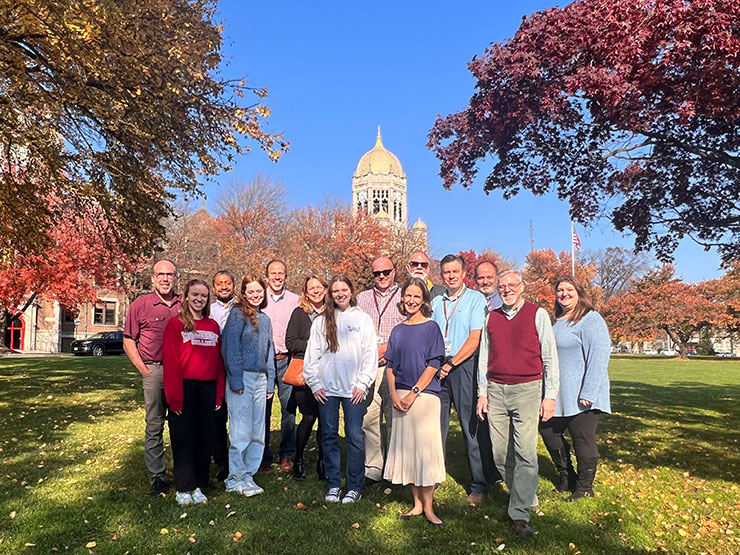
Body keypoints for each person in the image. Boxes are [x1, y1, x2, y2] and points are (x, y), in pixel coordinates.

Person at [476, 270, 560, 539]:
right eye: (503, 286)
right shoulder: (492, 317)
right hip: (497, 390)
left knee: (525, 451)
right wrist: (482, 392)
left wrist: (550, 396)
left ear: (522, 287)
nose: (507, 289)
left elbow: (549, 357)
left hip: (527, 389)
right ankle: (525, 492)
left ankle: (520, 513)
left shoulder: (537, 314)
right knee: (500, 453)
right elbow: (484, 358)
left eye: (512, 285)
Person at [304, 275, 377, 504]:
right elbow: (311, 356)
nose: (340, 294)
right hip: (327, 390)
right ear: (330, 294)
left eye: (344, 289)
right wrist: (315, 383)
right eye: (335, 291)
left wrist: (363, 383)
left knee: (355, 436)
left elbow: (369, 354)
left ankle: (355, 486)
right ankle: (334, 483)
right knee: (329, 435)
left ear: (351, 291)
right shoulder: (321, 321)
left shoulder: (363, 320)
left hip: (353, 390)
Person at [430, 254, 495, 505]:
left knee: (471, 427)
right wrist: (438, 364)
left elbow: (475, 337)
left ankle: (479, 484)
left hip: (463, 365)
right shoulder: (437, 302)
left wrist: (452, 362)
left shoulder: (476, 300)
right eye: (446, 272)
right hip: (439, 368)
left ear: (463, 273)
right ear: (441, 275)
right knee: (436, 427)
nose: (451, 276)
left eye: (455, 271)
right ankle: (433, 476)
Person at [539, 277, 610, 501]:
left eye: (569, 289)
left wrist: (589, 391)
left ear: (579, 292)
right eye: (560, 290)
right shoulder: (554, 321)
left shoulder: (590, 320)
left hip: (582, 393)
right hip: (556, 394)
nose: (564, 294)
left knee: (582, 438)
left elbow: (599, 357)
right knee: (548, 432)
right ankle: (566, 476)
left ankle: (584, 487)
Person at [383, 278, 446, 526]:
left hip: (424, 397)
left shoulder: (431, 328)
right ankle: (416, 504)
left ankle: (429, 507)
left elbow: (434, 364)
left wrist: (413, 393)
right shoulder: (397, 330)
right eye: (408, 296)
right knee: (407, 450)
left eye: (416, 297)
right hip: (400, 397)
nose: (411, 301)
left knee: (425, 451)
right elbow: (389, 366)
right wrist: (395, 395)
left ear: (424, 301)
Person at [162, 279, 225, 506]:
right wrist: (174, 399)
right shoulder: (176, 325)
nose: (199, 299)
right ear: (186, 296)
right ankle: (184, 487)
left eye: (204, 296)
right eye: (195, 295)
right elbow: (171, 363)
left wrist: (218, 394)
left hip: (207, 390)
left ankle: (199, 485)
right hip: (184, 388)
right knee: (184, 438)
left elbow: (218, 363)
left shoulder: (213, 326)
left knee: (204, 438)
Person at [123, 259, 182, 497]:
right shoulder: (141, 304)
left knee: (180, 423)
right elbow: (128, 339)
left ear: (175, 278)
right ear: (153, 279)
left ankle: (183, 471)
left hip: (180, 371)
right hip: (154, 369)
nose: (166, 278)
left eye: (170, 274)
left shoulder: (184, 303)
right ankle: (157, 476)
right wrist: (143, 369)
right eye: (161, 274)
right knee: (155, 424)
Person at [221, 275, 275, 497]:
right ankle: (235, 477)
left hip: (261, 379)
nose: (255, 295)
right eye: (251, 292)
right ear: (243, 293)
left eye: (259, 291)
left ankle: (248, 474)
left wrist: (270, 380)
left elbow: (269, 352)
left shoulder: (266, 319)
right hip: (242, 378)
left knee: (257, 430)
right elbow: (229, 348)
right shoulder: (237, 315)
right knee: (240, 430)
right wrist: (236, 379)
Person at [356, 256, 404, 482]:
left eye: (386, 271)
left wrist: (389, 347)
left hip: (396, 366)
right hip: (369, 366)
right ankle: (373, 468)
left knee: (395, 418)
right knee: (369, 418)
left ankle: (395, 470)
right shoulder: (362, 298)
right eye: (377, 273)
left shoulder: (406, 295)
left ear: (394, 271)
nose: (382, 276)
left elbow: (412, 328)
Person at [285, 275, 328, 481]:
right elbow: (291, 343)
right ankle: (299, 458)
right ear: (305, 292)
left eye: (319, 287)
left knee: (326, 419)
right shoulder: (300, 313)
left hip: (329, 372)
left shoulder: (333, 312)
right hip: (304, 372)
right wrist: (315, 346)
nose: (316, 291)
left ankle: (323, 460)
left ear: (325, 289)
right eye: (311, 288)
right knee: (309, 416)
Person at [261, 260, 299, 472]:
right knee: (263, 409)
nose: (277, 277)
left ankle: (286, 454)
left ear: (286, 276)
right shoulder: (259, 297)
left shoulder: (295, 300)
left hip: (287, 359)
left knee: (288, 409)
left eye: (281, 273)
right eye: (273, 273)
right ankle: (264, 456)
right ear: (267, 276)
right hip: (263, 361)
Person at [210, 270, 236, 481]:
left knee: (238, 418)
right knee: (218, 418)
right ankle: (221, 461)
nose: (224, 286)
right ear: (214, 288)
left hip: (236, 370)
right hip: (214, 369)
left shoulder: (242, 309)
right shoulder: (208, 311)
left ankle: (239, 459)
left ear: (233, 286)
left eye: (227, 283)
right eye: (220, 283)